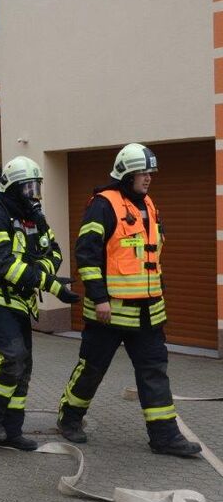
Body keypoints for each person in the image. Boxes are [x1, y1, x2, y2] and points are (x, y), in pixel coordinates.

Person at [57, 143, 201, 457]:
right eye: (141, 172)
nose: (148, 178)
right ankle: (70, 417)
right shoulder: (103, 205)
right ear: (125, 174)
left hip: (148, 313)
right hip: (109, 313)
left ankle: (164, 436)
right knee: (92, 369)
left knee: (154, 372)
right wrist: (99, 298)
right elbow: (87, 254)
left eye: (150, 172)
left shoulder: (148, 205)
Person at [0, 156, 78, 451]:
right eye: (28, 188)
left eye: (36, 188)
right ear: (11, 188)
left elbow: (54, 252)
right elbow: (4, 264)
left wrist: (42, 271)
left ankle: (12, 429)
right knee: (10, 357)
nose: (34, 195)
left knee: (23, 367)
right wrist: (50, 283)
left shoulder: (33, 218)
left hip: (20, 302)